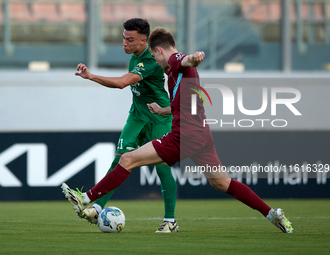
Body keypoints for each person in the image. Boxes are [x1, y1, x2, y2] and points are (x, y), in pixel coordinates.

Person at [62, 27, 293, 234]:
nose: (156, 62)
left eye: (154, 56)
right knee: (221, 183)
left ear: (160, 51)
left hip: (184, 137)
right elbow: (181, 103)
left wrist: (194, 58)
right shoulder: (176, 76)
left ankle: (86, 198)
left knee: (127, 159)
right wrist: (163, 110)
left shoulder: (174, 62)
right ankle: (271, 213)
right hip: (202, 135)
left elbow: (185, 61)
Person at [72, 19, 178, 233]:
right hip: (137, 116)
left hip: (159, 117)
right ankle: (98, 208)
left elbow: (122, 83)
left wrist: (91, 76)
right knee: (119, 161)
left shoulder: (149, 60)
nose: (125, 43)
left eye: (130, 40)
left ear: (143, 41)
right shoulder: (135, 55)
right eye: (123, 38)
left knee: (162, 167)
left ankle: (170, 221)